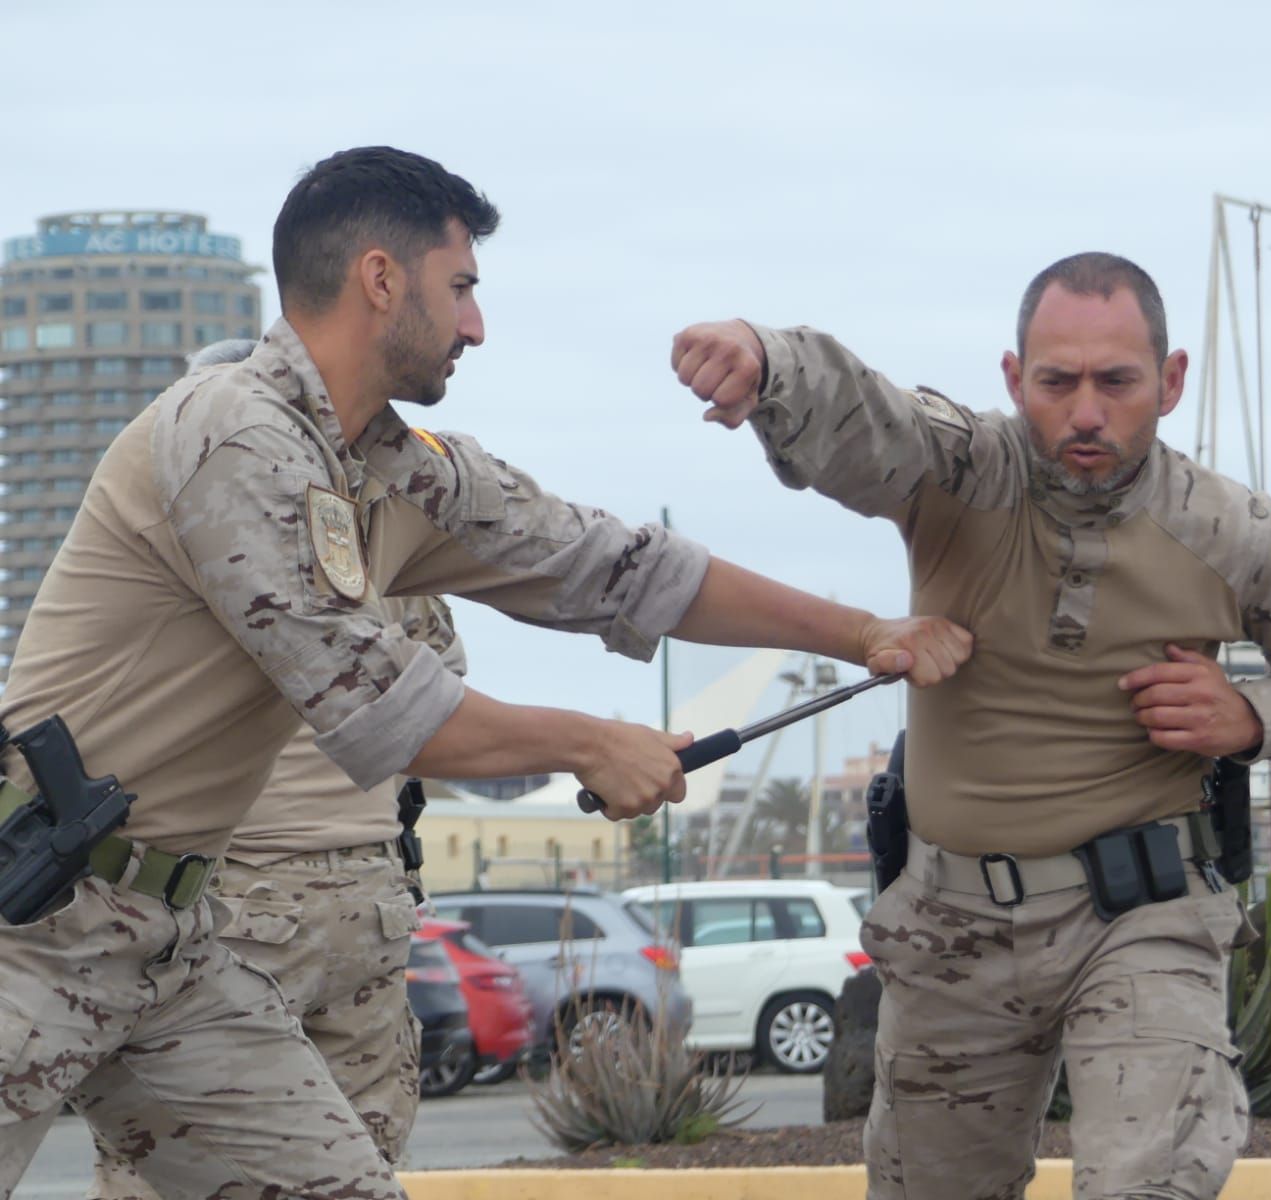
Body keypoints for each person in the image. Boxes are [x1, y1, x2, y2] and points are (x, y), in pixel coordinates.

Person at [0, 146, 973, 1199]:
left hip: (167, 947)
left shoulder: (390, 468)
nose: (476, 325)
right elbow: (383, 707)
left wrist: (867, 633)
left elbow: (615, 565)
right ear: (382, 279)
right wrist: (592, 741)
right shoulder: (229, 430)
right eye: (460, 288)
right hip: (30, 920)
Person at [669, 252, 1271, 1200]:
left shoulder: (1230, 530)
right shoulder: (961, 471)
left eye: (1118, 382)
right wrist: (767, 362)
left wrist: (1254, 715)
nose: (1087, 412)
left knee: (1146, 1185)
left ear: (1170, 381)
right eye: (1057, 382)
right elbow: (871, 416)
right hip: (951, 928)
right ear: (1016, 381)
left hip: (1143, 916)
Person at [82, 341, 464, 1197]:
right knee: (349, 1164)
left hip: (238, 898)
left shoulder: (196, 523)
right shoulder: (364, 526)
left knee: (170, 1163)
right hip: (368, 897)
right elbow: (443, 685)